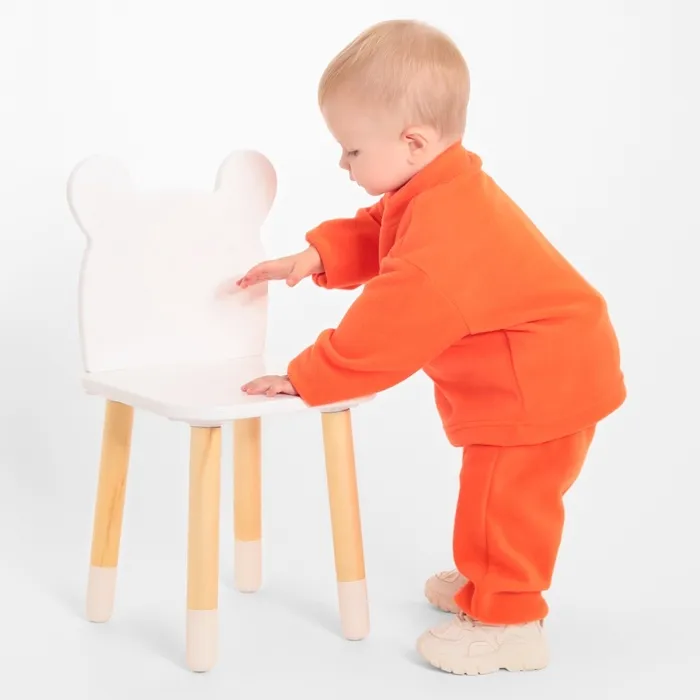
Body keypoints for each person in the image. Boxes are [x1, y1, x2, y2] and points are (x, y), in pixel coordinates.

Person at [235, 19, 626, 675]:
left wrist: (309, 375)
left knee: (507, 499)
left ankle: (509, 620)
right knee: (494, 495)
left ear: (412, 142)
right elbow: (384, 230)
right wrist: (319, 255)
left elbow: (389, 326)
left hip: (538, 383)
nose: (342, 164)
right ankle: (489, 579)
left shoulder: (446, 230)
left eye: (352, 151)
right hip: (545, 366)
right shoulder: (437, 187)